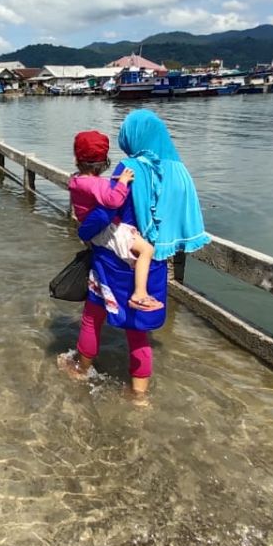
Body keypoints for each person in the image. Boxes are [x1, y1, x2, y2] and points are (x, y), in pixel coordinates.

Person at [61, 109, 210, 403]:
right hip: (153, 261)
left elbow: (104, 214)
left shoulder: (130, 168)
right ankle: (138, 395)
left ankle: (80, 368)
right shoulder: (179, 172)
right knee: (139, 332)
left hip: (114, 262)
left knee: (93, 317)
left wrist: (84, 231)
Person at [68, 130, 162, 312]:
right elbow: (113, 200)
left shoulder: (77, 180)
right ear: (104, 162)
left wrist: (114, 182)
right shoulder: (97, 184)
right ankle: (139, 294)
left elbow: (96, 190)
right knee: (147, 250)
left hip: (94, 231)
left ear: (76, 160)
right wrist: (123, 182)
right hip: (106, 231)